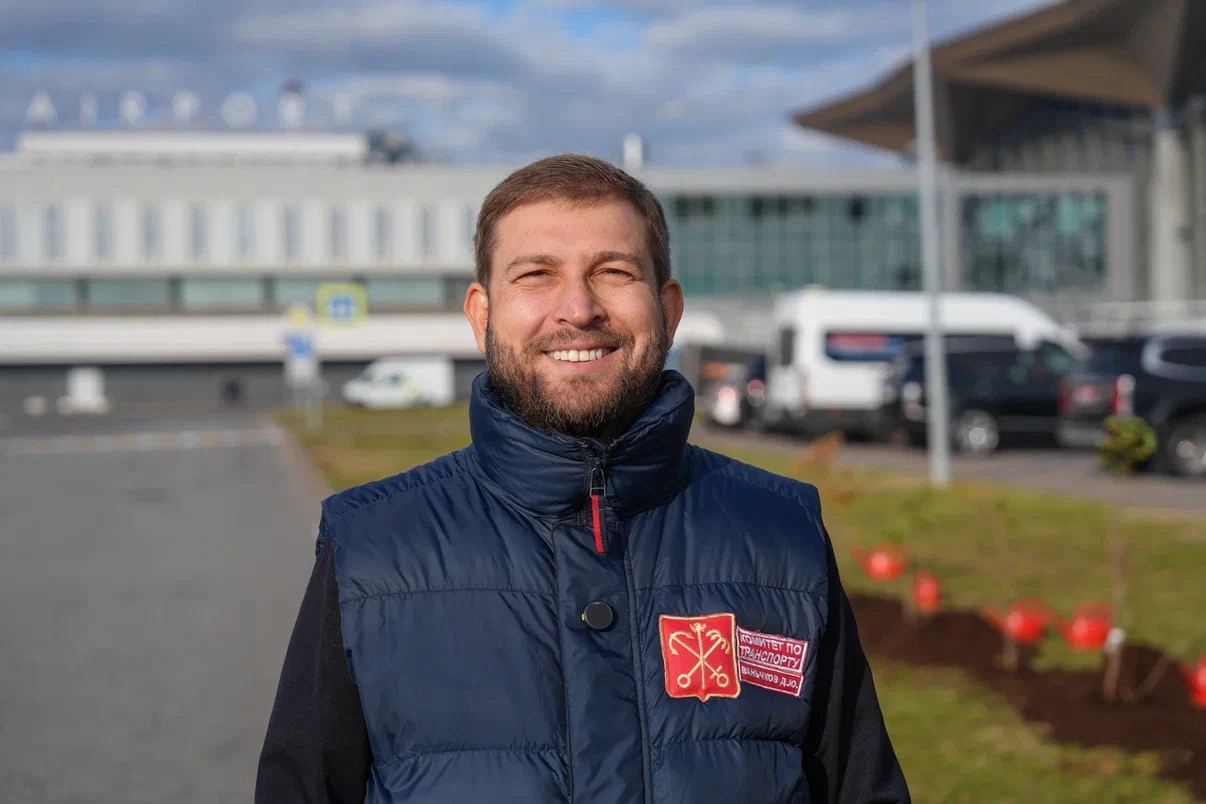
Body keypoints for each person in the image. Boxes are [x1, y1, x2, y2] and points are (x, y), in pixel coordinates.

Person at [255, 154, 910, 803]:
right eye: (536, 275)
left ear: (669, 308)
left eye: (614, 272)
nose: (578, 308)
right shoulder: (371, 547)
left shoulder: (783, 534)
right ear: (482, 314)